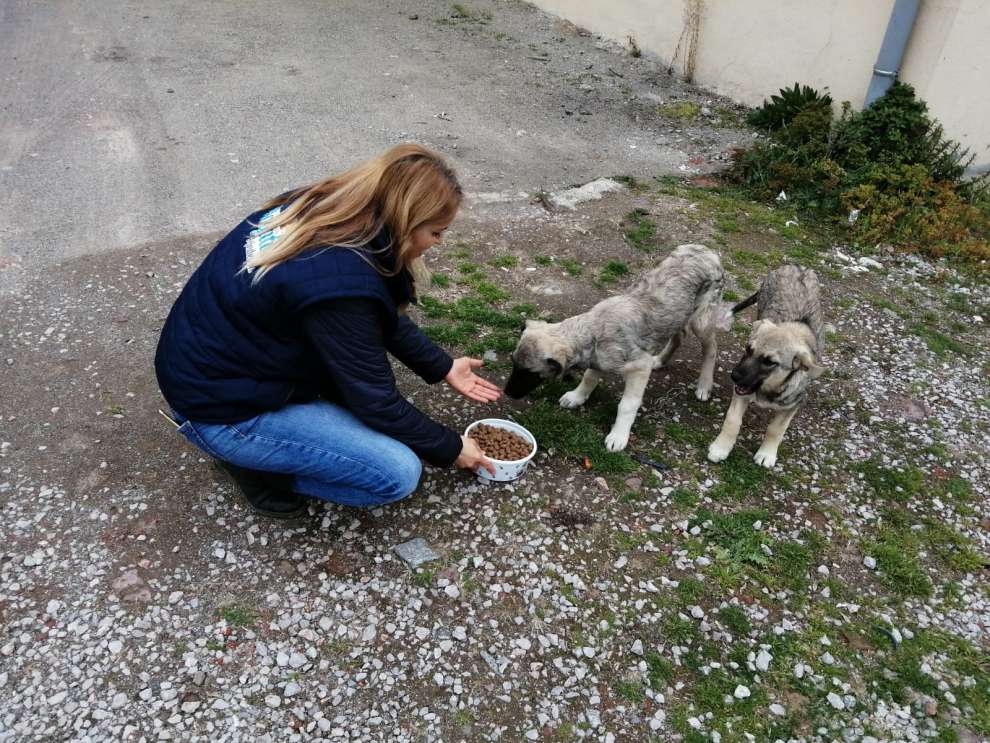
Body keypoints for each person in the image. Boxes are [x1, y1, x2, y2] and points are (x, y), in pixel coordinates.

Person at [155, 143, 500, 518]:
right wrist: (451, 448)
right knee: (397, 473)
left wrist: (442, 365)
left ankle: (265, 446)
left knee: (353, 401)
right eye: (436, 231)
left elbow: (370, 311)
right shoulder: (339, 279)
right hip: (221, 411)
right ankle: (257, 469)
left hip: (209, 367)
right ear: (405, 221)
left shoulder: (325, 208)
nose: (438, 243)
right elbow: (378, 402)